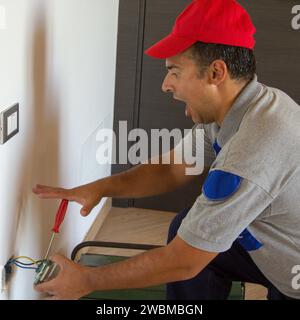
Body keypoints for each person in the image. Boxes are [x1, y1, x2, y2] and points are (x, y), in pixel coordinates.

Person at [33, 0, 300, 300]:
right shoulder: (245, 107)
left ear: (215, 73)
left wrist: (87, 280)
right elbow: (173, 168)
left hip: (291, 274)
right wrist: (100, 187)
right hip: (273, 244)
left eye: (174, 71)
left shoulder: (252, 150)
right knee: (185, 225)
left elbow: (185, 260)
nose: (165, 85)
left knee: (190, 248)